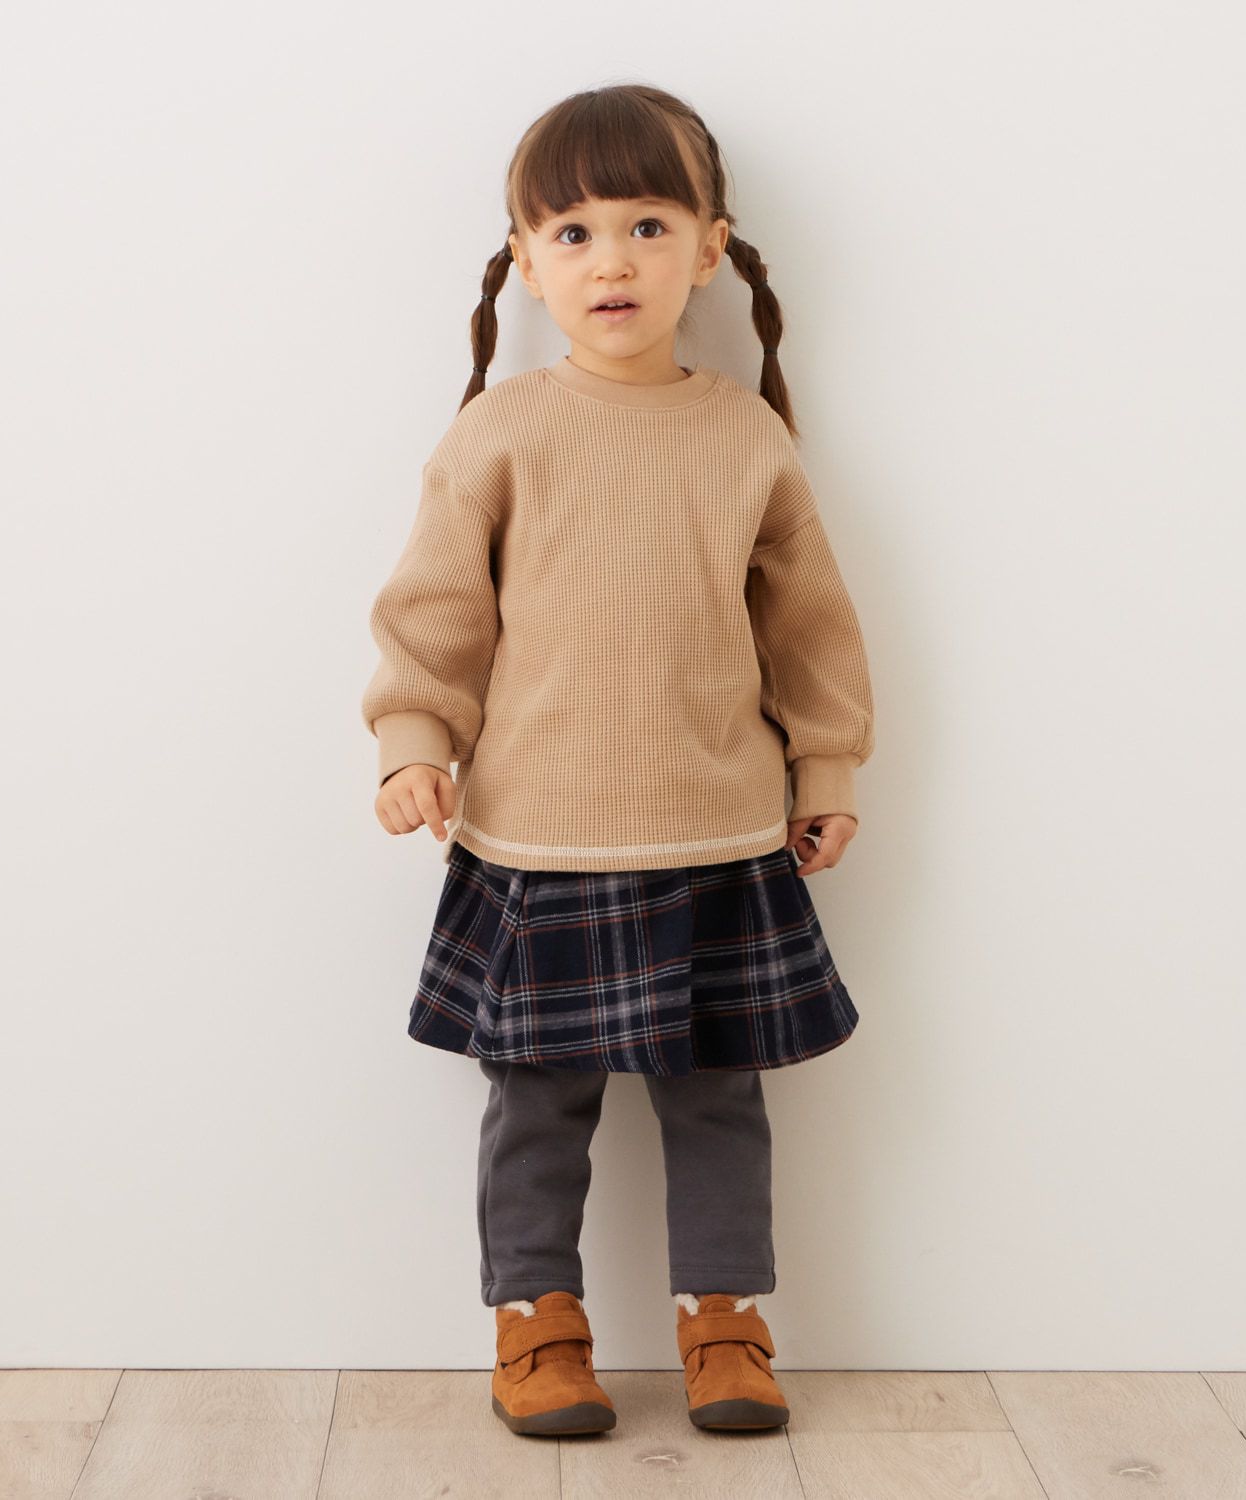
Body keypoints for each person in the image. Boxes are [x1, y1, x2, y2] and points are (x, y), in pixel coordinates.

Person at [360, 83, 876, 1438]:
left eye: (649, 224)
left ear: (709, 249)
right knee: (538, 1110)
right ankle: (536, 1323)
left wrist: (827, 769)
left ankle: (727, 1322)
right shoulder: (500, 433)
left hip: (717, 834)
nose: (613, 261)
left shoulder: (745, 436)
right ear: (525, 262)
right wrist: (414, 740)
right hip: (540, 839)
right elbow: (435, 612)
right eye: (574, 232)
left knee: (719, 1105)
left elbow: (808, 622)